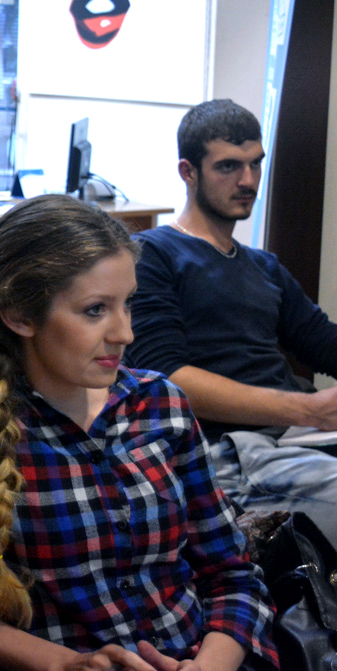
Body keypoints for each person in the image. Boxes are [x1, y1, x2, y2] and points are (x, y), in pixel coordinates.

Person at [0, 194, 278, 671]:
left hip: (193, 655)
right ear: (19, 315)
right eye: (96, 310)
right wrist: (65, 664)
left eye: (127, 304)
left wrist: (207, 667)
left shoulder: (161, 403)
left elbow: (232, 574)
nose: (125, 334)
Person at [124, 99, 337, 545]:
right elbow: (165, 378)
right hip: (226, 450)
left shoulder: (264, 267)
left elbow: (325, 343)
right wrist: (308, 410)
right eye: (228, 166)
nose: (248, 180)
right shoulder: (152, 255)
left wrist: (309, 414)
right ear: (188, 172)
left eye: (255, 164)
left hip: (293, 438)